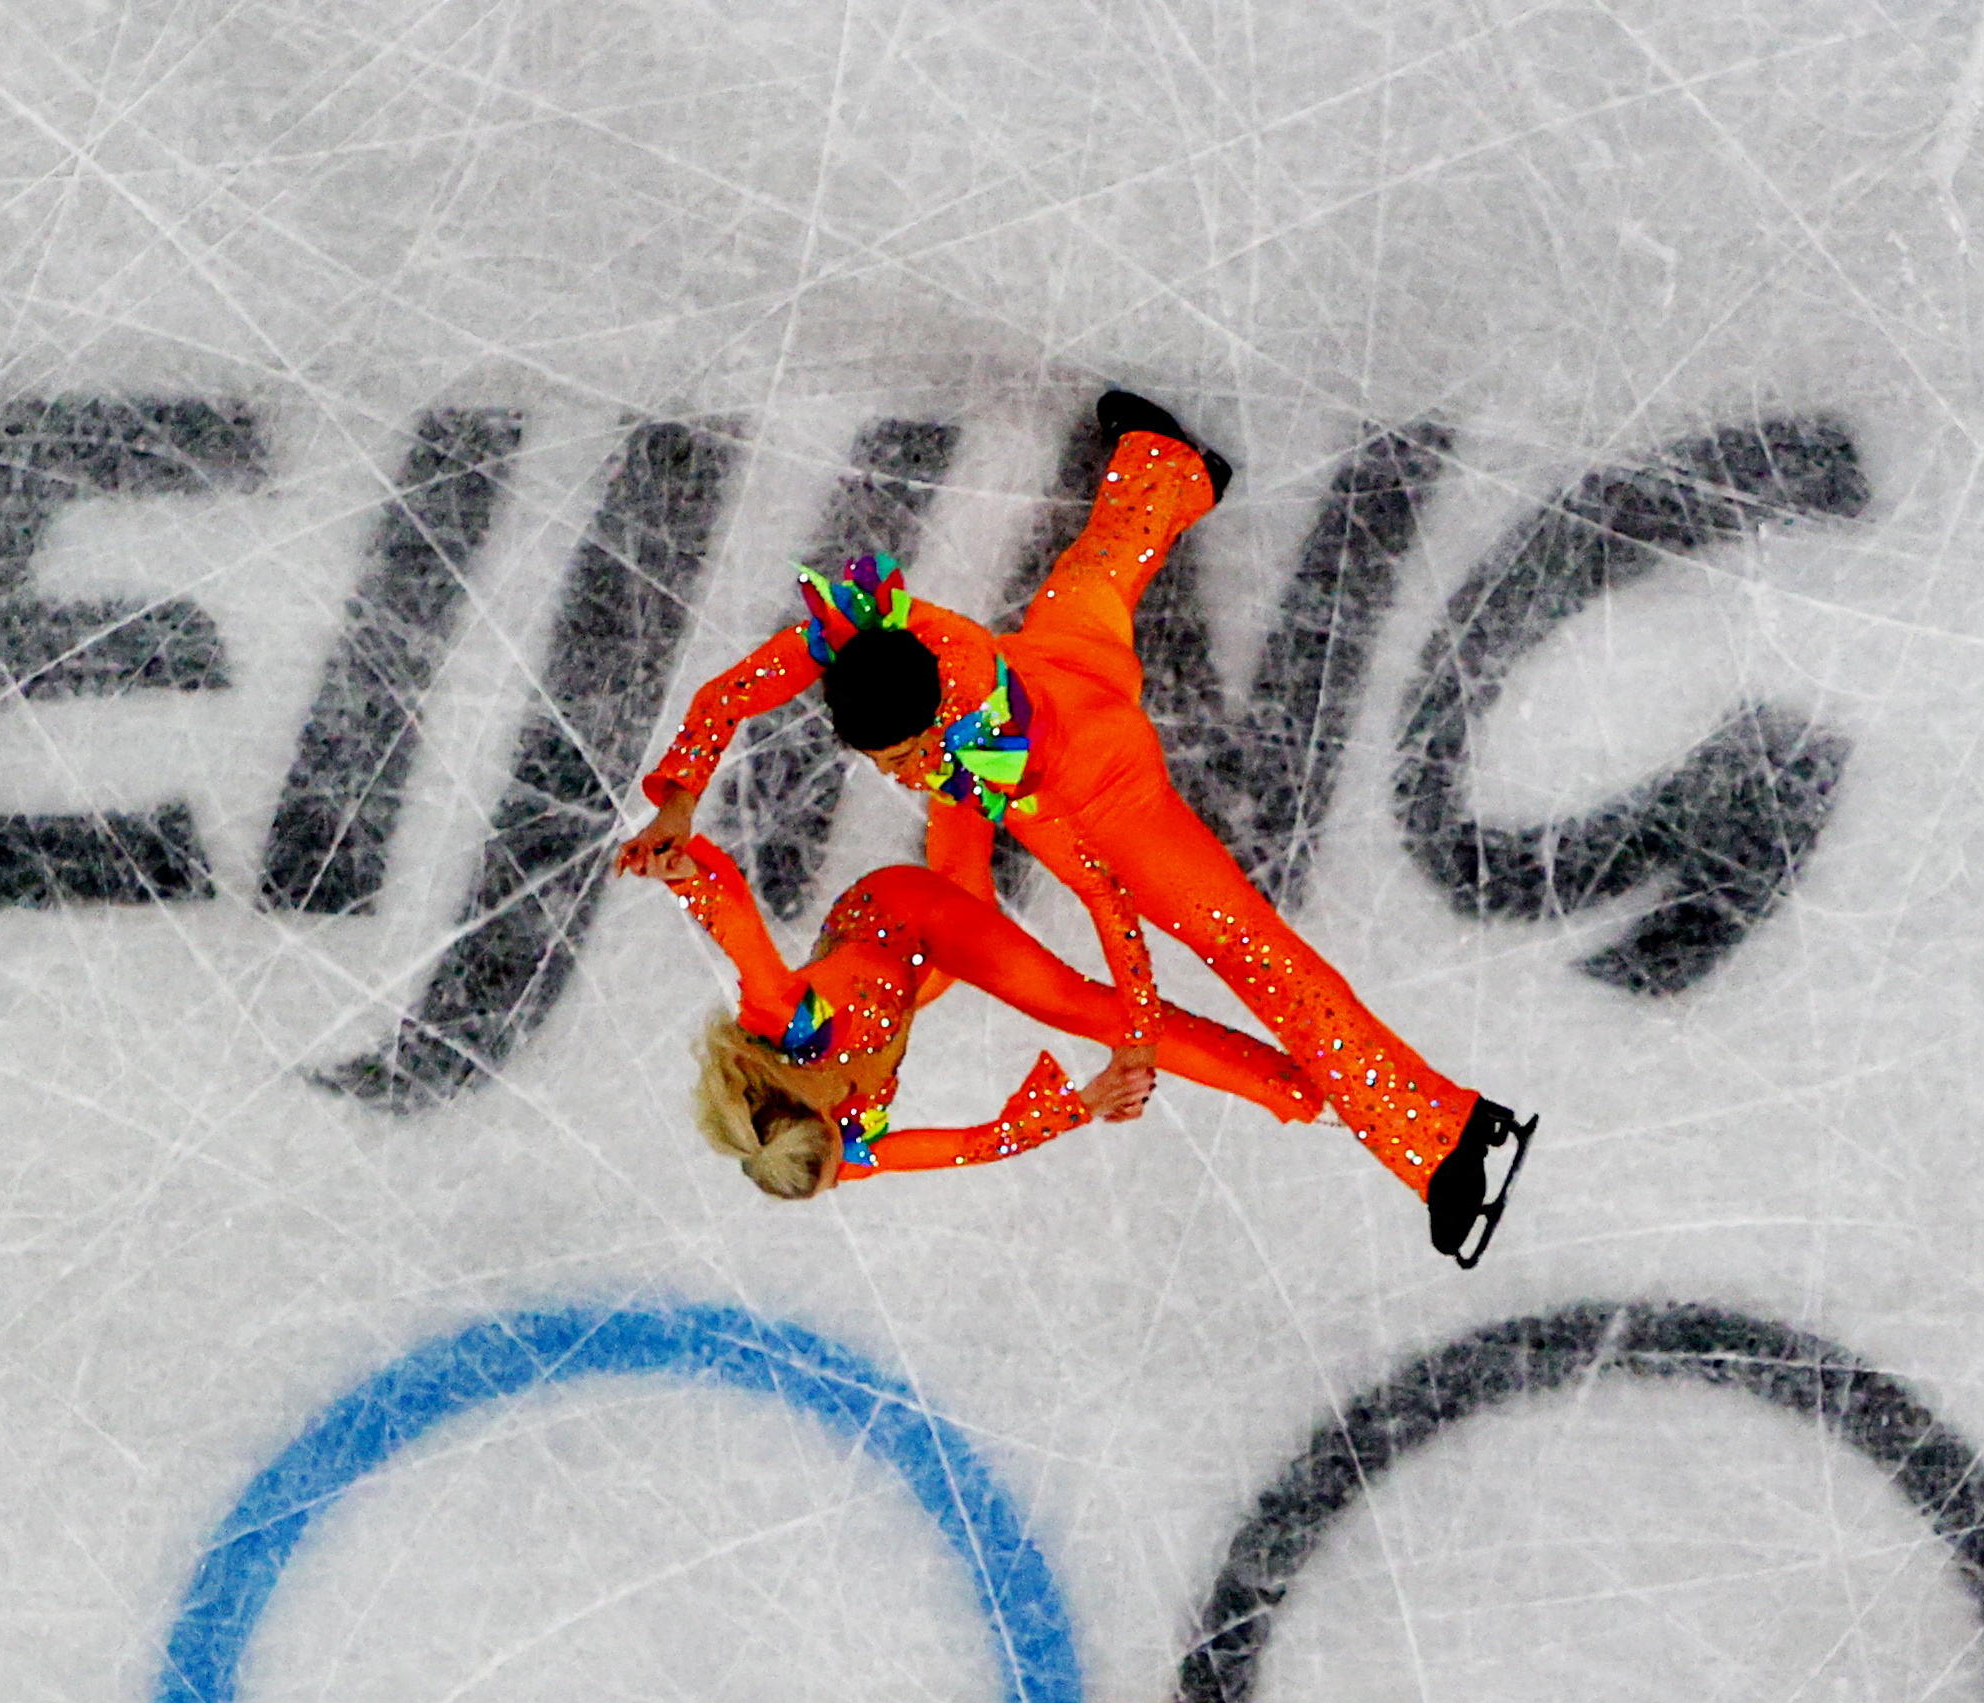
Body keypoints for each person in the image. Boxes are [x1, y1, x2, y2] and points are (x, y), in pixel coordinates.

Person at [617, 392, 1533, 1262]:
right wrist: (681, 797)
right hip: (1053, 672)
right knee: (1087, 590)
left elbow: (1096, 883)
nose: (889, 776)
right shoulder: (875, 646)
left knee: (1250, 953)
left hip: (1100, 788)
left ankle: (1440, 1138)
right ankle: (1166, 465)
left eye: (900, 758)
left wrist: (1135, 1023)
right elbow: (730, 695)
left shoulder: (994, 755)